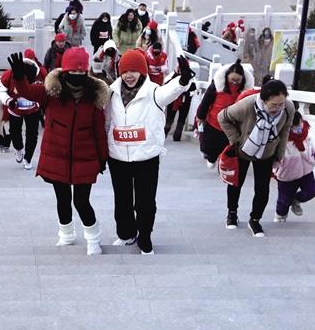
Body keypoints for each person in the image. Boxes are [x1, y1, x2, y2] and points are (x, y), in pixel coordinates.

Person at [7, 48, 109, 255]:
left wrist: (102, 157)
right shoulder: (51, 92)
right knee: (62, 198)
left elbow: (99, 131)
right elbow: (27, 92)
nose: (78, 77)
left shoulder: (94, 97)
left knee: (81, 201)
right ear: (65, 71)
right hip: (57, 154)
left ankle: (93, 238)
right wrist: (18, 77)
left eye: (82, 74)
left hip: (85, 156)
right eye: (74, 72)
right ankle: (66, 235)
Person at [106, 50, 194, 254]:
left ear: (143, 72)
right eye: (125, 71)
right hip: (118, 157)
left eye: (134, 71)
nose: (129, 75)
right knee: (122, 200)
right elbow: (104, 118)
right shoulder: (112, 92)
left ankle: (145, 237)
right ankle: (126, 234)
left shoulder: (154, 92)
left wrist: (183, 80)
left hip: (146, 157)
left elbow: (170, 91)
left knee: (145, 202)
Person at [218, 79, 295, 237]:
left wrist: (279, 155)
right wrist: (235, 140)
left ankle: (255, 219)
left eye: (281, 104)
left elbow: (285, 130)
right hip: (244, 149)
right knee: (236, 183)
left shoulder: (288, 108)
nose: (278, 108)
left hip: (267, 151)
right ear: (263, 100)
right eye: (274, 105)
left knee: (262, 188)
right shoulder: (247, 105)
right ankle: (232, 213)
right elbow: (222, 117)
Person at [273, 112, 315, 223]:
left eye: (299, 125)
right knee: (284, 200)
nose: (298, 129)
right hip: (287, 174)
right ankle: (280, 216)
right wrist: (273, 168)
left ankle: (296, 200)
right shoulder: (281, 137)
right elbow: (273, 155)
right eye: (294, 127)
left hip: (306, 171)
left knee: (312, 191)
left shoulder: (306, 134)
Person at [195, 60, 254, 168]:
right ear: (227, 76)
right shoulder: (217, 85)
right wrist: (200, 116)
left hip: (232, 125)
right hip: (214, 121)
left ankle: (224, 163)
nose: (235, 83)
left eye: (238, 80)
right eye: (232, 80)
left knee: (227, 147)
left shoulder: (245, 91)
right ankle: (211, 158)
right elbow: (206, 101)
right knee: (209, 146)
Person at [0, 56, 44, 170]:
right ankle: (18, 149)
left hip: (33, 108)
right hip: (15, 107)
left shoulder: (42, 74)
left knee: (32, 134)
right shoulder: (10, 74)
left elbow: (49, 89)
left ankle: (28, 158)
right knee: (14, 131)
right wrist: (8, 100)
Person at [163, 66, 196, 142]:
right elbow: (166, 83)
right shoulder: (174, 75)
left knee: (180, 119)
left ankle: (176, 136)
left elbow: (193, 88)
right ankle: (165, 135)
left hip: (184, 99)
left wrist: (186, 93)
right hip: (175, 99)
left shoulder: (190, 77)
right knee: (170, 119)